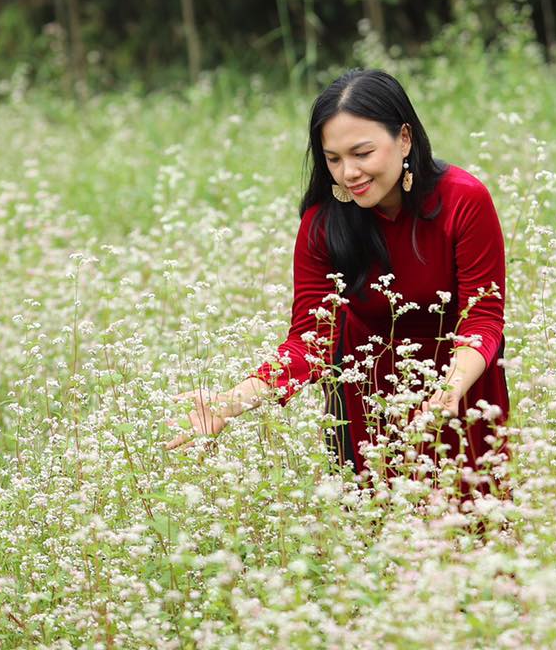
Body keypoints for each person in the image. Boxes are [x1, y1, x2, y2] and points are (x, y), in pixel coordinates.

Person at [164, 67, 511, 504]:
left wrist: (449, 390)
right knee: (382, 540)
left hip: (461, 393)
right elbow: (311, 341)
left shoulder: (463, 200)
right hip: (367, 405)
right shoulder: (323, 223)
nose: (348, 172)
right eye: (333, 158)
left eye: (362, 153)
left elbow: (482, 316)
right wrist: (228, 404)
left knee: (474, 534)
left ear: (404, 139)